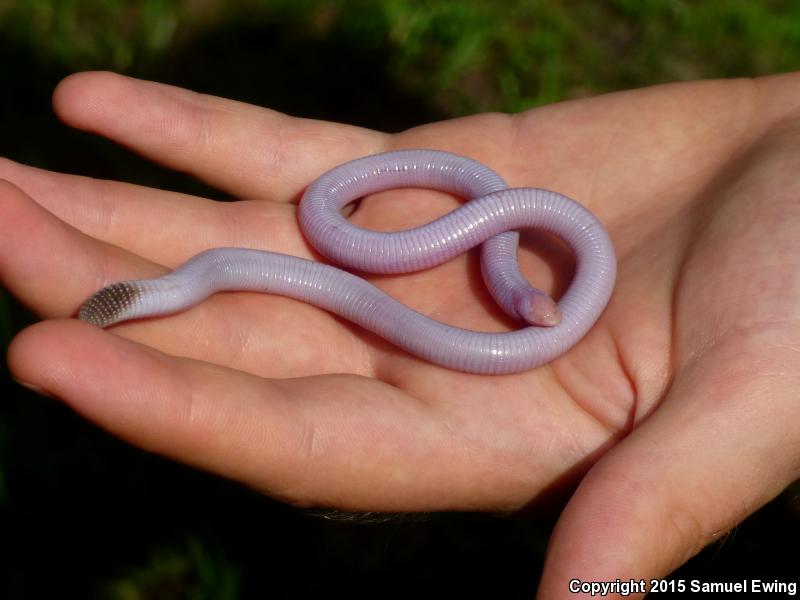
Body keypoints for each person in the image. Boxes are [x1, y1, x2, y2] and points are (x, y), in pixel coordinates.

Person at [2, 71, 798, 598]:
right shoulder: (492, 245)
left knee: (260, 259)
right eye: (532, 304)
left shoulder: (530, 264)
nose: (538, 311)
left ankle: (141, 298)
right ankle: (143, 298)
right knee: (216, 266)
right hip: (337, 235)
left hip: (491, 244)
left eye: (532, 308)